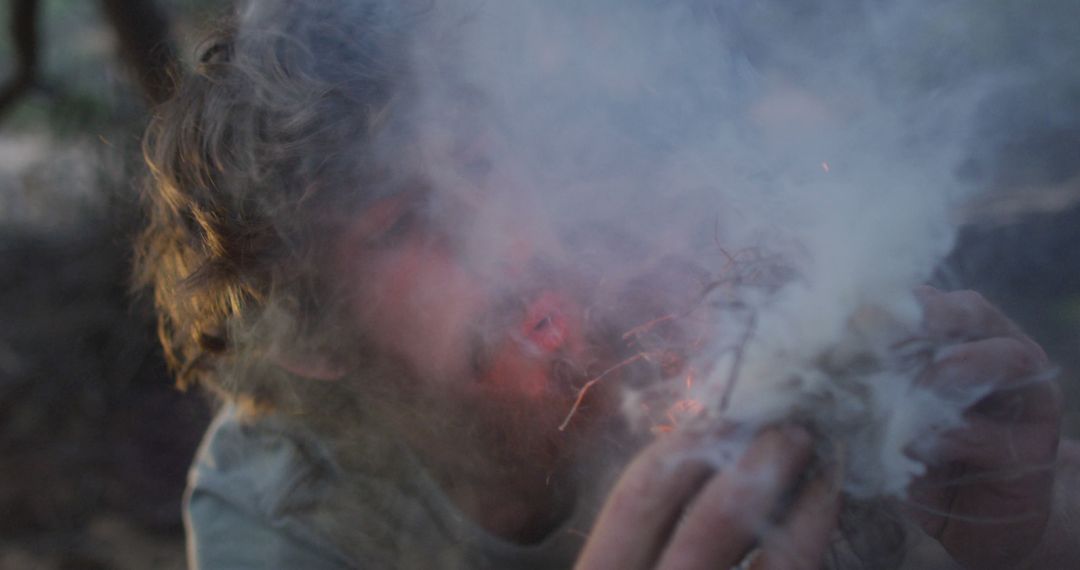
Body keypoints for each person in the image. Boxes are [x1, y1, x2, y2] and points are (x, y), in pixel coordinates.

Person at [137, 1, 1079, 568]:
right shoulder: (284, 516)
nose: (516, 235)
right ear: (312, 329)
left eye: (488, 162)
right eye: (408, 221)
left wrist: (1021, 539)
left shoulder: (703, 326)